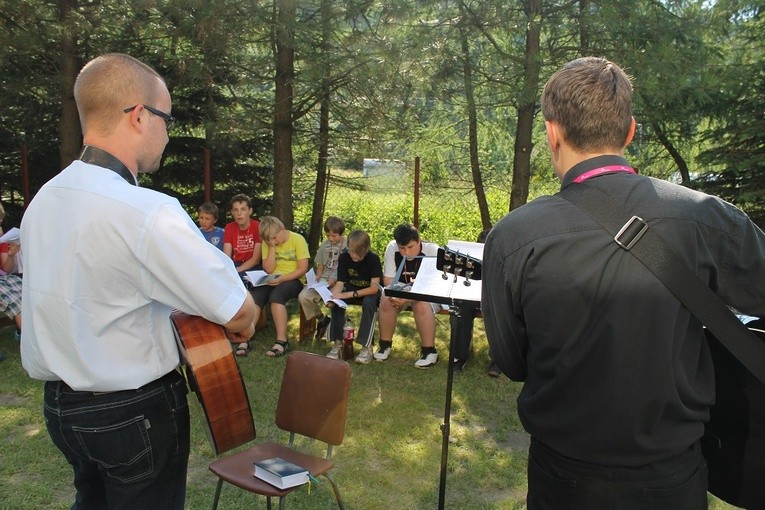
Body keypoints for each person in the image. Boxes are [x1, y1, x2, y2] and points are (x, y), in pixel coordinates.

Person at [481, 56, 765, 510]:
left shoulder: (513, 237)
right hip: (672, 479)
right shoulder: (706, 218)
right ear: (630, 131)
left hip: (562, 479)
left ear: (552, 133)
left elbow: (512, 362)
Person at [20, 53, 257, 510]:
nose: (167, 133)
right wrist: (248, 316)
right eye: (166, 120)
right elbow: (238, 311)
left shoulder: (45, 200)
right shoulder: (146, 212)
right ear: (139, 116)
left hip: (62, 409)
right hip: (133, 414)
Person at [375, 223, 441, 368]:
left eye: (410, 247)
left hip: (427, 293)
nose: (406, 253)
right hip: (401, 290)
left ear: (419, 241)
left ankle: (429, 351)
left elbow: (430, 286)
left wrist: (407, 299)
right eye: (402, 248)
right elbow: (388, 281)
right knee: (386, 298)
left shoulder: (433, 250)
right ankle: (384, 345)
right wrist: (395, 296)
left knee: (421, 303)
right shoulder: (392, 248)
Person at [245, 216, 309, 358]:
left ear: (282, 230)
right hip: (273, 278)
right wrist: (272, 247)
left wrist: (283, 278)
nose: (272, 241)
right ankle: (246, 337)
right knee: (256, 296)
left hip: (293, 278)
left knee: (276, 297)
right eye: (269, 240)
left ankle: (282, 341)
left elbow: (302, 269)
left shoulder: (298, 239)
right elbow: (268, 269)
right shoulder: (268, 242)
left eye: (274, 238)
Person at [325, 230, 382, 364]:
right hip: (351, 288)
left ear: (366, 249)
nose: (353, 255)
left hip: (370, 292)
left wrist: (347, 294)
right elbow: (340, 283)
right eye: (350, 251)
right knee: (337, 301)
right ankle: (338, 343)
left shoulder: (373, 259)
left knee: (369, 303)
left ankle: (366, 347)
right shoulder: (344, 257)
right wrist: (333, 297)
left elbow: (374, 288)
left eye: (357, 253)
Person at [297, 216, 347, 339]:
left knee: (333, 301)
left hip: (340, 281)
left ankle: (337, 330)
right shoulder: (324, 245)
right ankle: (322, 319)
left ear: (342, 233)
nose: (330, 239)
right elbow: (320, 264)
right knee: (303, 297)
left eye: (334, 236)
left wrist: (336, 280)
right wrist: (317, 276)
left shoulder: (348, 244)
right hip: (324, 281)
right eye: (328, 235)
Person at [223, 193, 262, 275]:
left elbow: (256, 259)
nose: (239, 213)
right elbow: (227, 256)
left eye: (243, 209)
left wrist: (237, 271)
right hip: (236, 263)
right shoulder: (229, 227)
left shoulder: (258, 226)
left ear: (250, 211)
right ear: (232, 212)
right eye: (236, 210)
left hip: (254, 265)